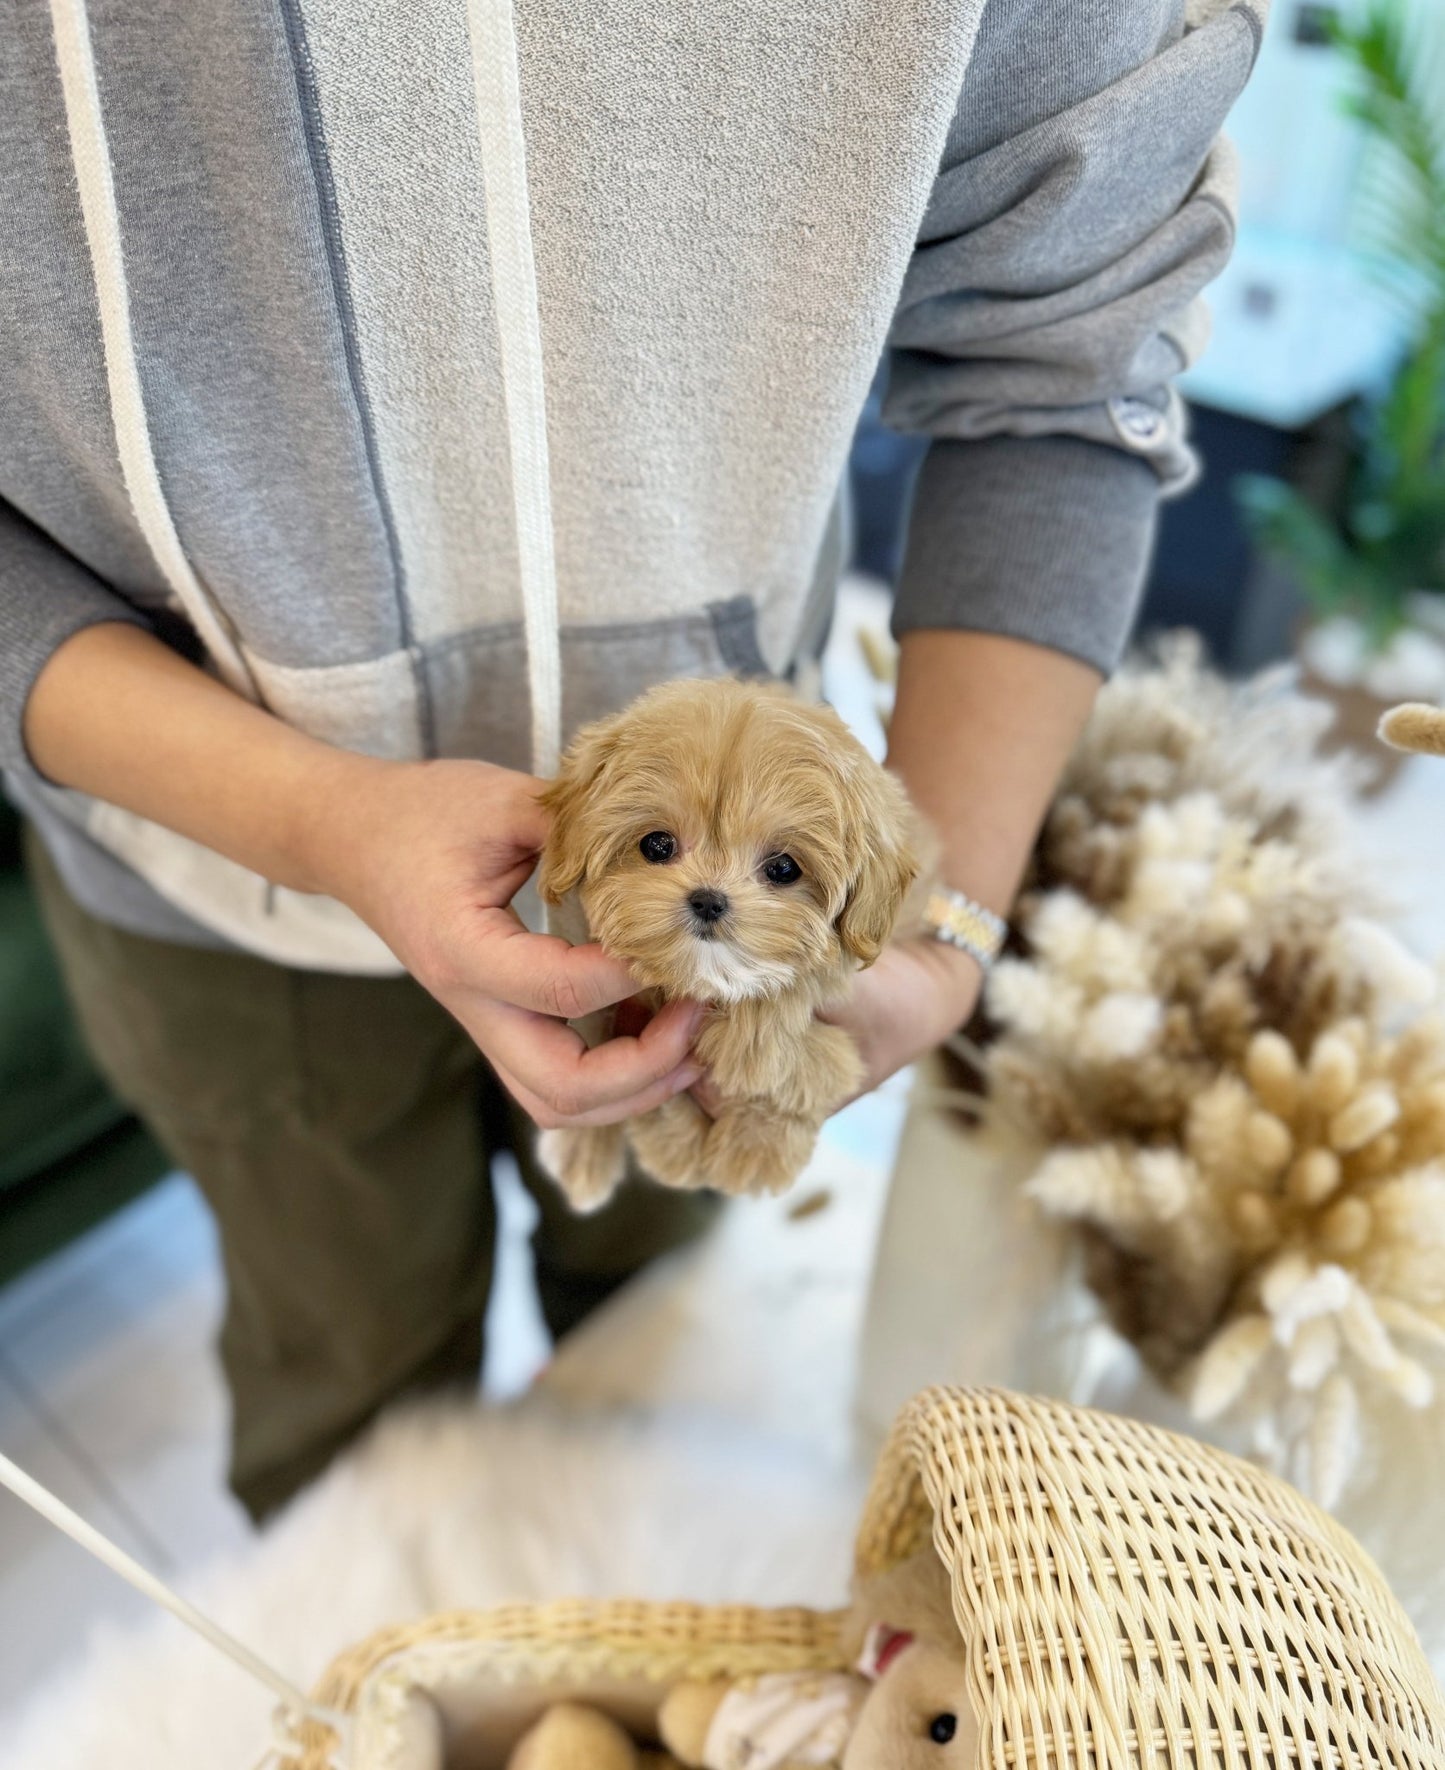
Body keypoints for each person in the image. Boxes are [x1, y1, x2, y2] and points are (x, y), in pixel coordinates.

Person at [2, 0, 1265, 1517]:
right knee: (344, 1411)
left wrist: (950, 928)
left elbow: (1070, 372)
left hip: (686, 976)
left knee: (655, 1341)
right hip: (199, 866)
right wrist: (313, 813)